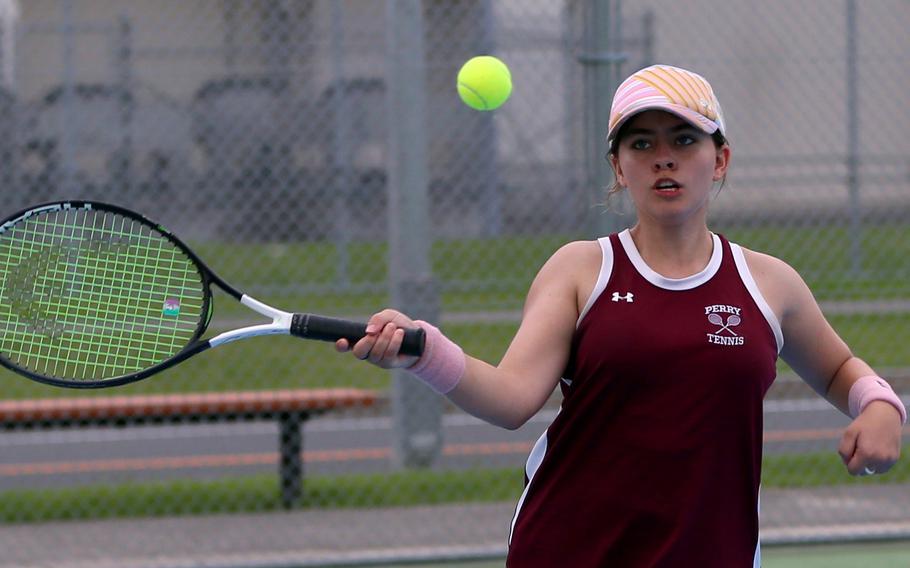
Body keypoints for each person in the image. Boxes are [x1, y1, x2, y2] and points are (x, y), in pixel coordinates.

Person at [335, 64, 906, 567]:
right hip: (568, 551)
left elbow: (839, 371)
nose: (663, 156)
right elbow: (511, 399)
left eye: (684, 139)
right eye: (640, 143)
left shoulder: (769, 283)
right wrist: (423, 351)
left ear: (720, 158)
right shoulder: (581, 270)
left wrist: (879, 406)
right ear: (618, 167)